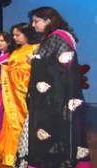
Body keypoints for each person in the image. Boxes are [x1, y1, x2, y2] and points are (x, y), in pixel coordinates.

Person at [14, 7, 91, 168]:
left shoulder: (57, 38)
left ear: (48, 20)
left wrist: (34, 61)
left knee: (54, 134)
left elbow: (63, 67)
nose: (33, 25)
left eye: (36, 21)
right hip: (56, 97)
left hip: (55, 100)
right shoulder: (57, 36)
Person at [0, 23, 39, 166]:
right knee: (10, 120)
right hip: (12, 94)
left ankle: (22, 154)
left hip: (24, 93)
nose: (14, 38)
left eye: (17, 35)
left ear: (27, 34)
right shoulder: (16, 51)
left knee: (21, 121)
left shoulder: (35, 48)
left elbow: (33, 72)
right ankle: (9, 153)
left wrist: (8, 72)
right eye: (13, 35)